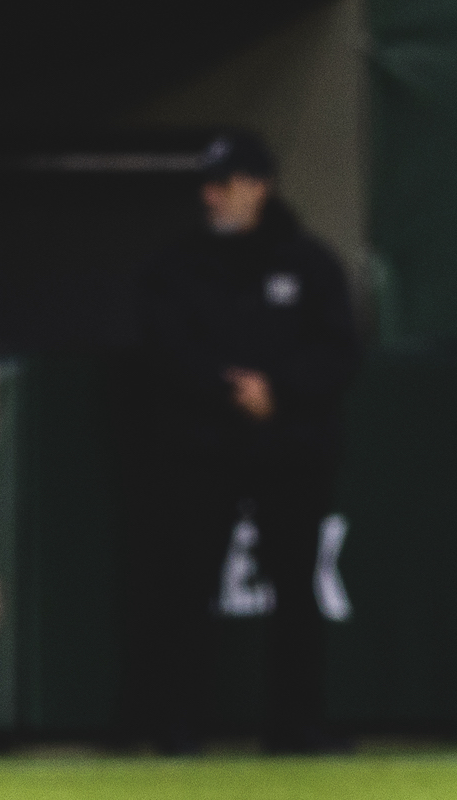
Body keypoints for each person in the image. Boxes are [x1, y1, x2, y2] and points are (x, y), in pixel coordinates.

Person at [121, 130, 360, 753]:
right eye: (208, 184)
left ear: (260, 186)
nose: (213, 196)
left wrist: (277, 389)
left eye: (225, 184)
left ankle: (298, 728)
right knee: (185, 585)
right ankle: (176, 729)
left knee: (295, 588)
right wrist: (228, 388)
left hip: (291, 450)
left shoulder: (309, 263)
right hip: (203, 449)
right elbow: (163, 346)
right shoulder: (178, 266)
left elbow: (339, 349)